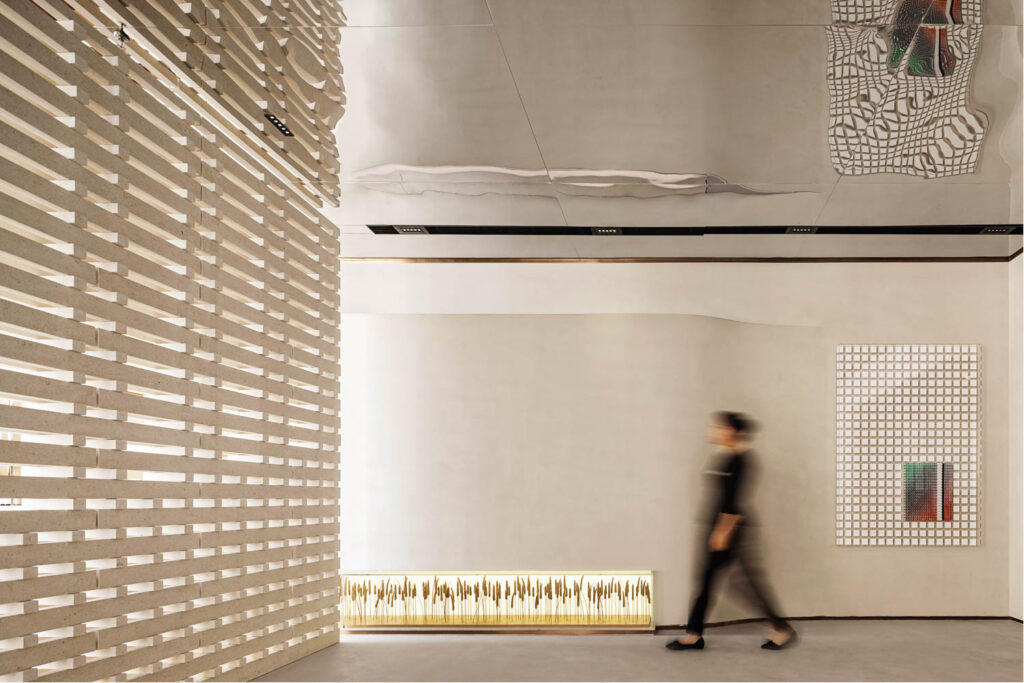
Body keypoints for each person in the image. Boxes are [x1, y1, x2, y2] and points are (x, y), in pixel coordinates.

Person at [666, 411, 797, 651]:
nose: (714, 431)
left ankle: (781, 628)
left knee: (742, 584)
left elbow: (735, 499)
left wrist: (722, 532)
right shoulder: (724, 457)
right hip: (715, 526)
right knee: (708, 582)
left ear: (733, 431)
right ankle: (694, 635)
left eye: (719, 428)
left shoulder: (744, 460)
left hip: (731, 530)